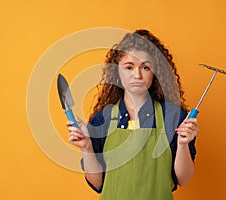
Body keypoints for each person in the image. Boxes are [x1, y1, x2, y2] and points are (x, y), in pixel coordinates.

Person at [66, 29, 198, 200]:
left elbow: (183, 179)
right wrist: (87, 147)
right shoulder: (102, 119)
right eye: (129, 67)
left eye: (145, 67)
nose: (137, 75)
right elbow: (97, 183)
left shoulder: (173, 117)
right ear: (117, 72)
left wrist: (182, 144)